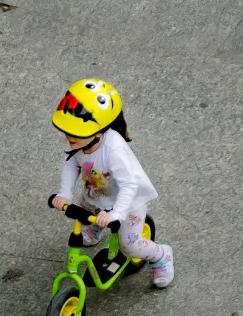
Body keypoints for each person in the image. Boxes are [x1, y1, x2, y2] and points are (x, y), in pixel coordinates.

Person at [49, 78, 175, 288]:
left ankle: (161, 255)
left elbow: (129, 186)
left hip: (127, 200)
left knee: (129, 246)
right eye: (66, 130)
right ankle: (97, 228)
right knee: (83, 208)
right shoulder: (78, 144)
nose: (69, 137)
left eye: (75, 132)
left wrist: (117, 214)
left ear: (99, 131)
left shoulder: (114, 150)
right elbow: (71, 165)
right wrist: (64, 193)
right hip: (97, 192)